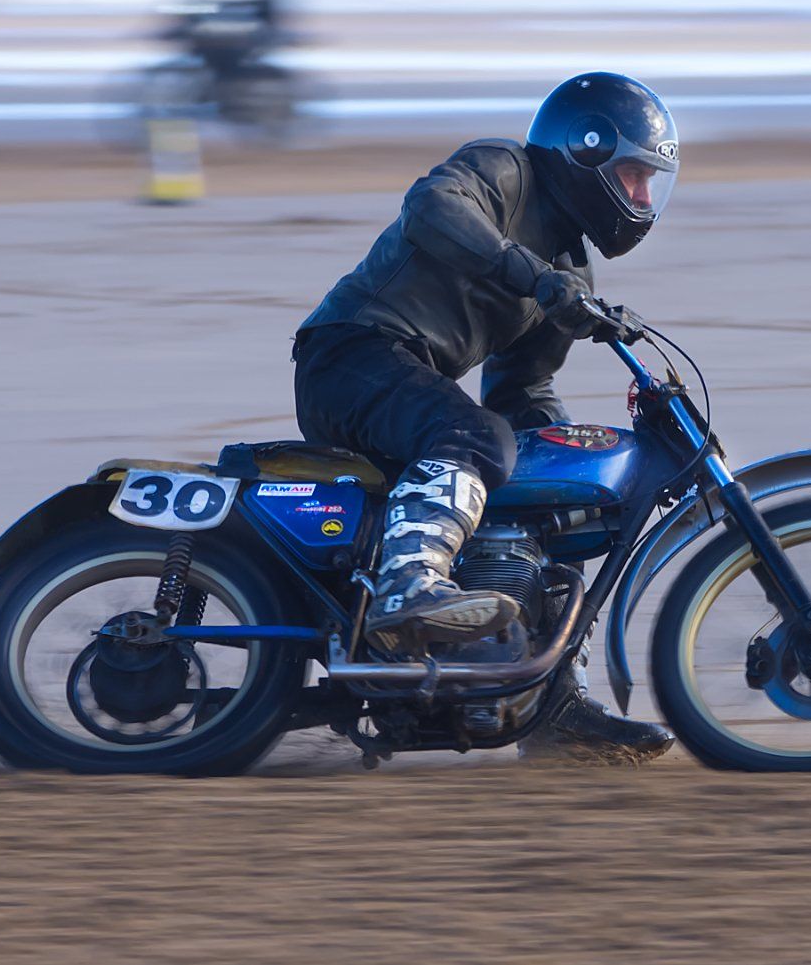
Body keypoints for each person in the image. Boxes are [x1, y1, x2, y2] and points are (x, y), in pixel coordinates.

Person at [290, 71, 680, 759]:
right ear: (586, 151)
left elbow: (522, 384)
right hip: (350, 355)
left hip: (406, 380)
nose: (643, 197)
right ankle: (406, 589)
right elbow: (432, 207)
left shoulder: (571, 271)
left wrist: (561, 453)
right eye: (633, 174)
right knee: (471, 436)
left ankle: (552, 707)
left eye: (651, 182)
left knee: (555, 504)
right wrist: (530, 276)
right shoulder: (505, 170)